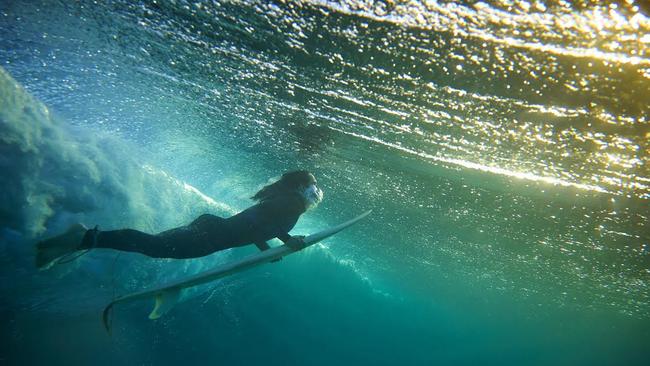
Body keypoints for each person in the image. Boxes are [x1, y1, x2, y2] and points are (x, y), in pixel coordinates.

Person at [35, 170, 323, 269]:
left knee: (155, 244)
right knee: (153, 246)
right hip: (212, 236)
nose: (314, 192)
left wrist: (275, 245)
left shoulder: (283, 201)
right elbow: (257, 226)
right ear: (300, 188)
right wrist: (282, 243)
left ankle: (69, 244)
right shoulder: (292, 204)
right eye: (311, 186)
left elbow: (259, 223)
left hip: (210, 227)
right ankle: (86, 237)